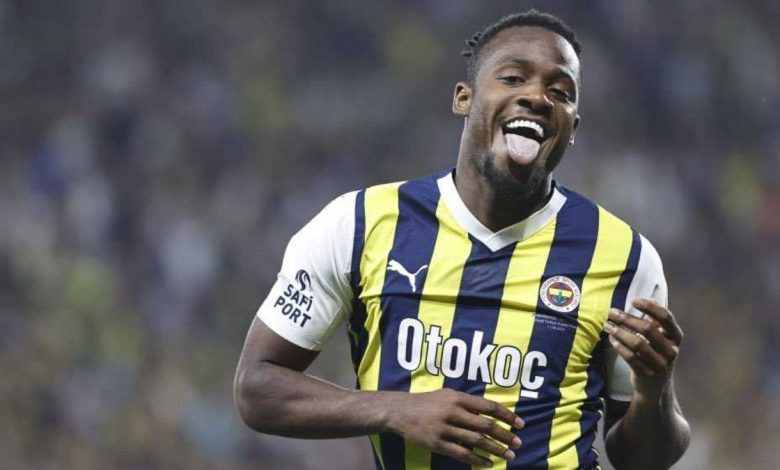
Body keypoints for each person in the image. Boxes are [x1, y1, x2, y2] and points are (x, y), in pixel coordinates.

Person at [234, 10, 690, 470]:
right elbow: (257, 387)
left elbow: (642, 460)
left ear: (571, 128)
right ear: (464, 98)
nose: (536, 97)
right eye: (513, 78)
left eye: (560, 91)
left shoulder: (624, 257)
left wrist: (655, 389)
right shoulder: (359, 224)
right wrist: (393, 409)